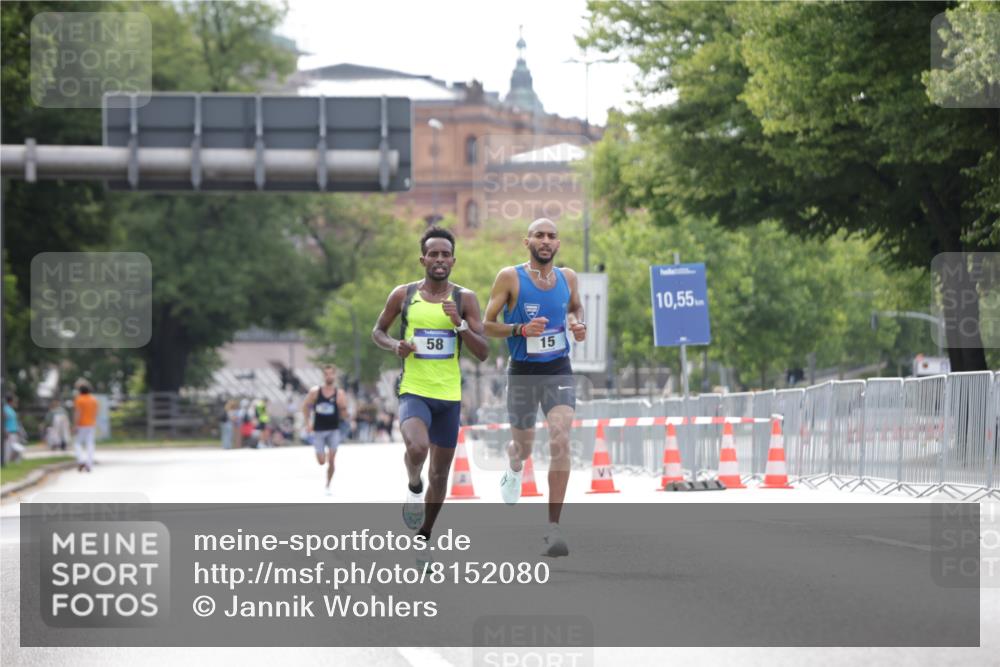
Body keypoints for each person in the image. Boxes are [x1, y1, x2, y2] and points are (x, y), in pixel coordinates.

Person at [372, 226, 489, 549]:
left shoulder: (465, 299)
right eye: (433, 254)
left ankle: (425, 535)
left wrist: (460, 324)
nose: (439, 260)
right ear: (423, 259)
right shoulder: (403, 295)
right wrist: (395, 345)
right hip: (414, 389)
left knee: (440, 475)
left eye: (445, 255)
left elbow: (482, 352)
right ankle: (412, 484)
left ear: (454, 260)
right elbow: (378, 331)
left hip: (449, 397)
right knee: (418, 449)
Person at [483, 218, 587, 557]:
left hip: (558, 367)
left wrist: (576, 323)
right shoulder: (510, 277)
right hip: (523, 371)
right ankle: (514, 468)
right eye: (539, 235)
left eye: (552, 236)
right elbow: (486, 324)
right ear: (526, 240)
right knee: (523, 448)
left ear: (558, 243)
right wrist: (519, 330)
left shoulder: (568, 277)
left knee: (560, 437)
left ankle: (553, 527)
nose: (546, 240)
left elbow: (573, 307)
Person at [301, 365, 349, 494]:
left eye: (331, 374)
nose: (329, 376)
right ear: (323, 376)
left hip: (334, 429)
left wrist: (343, 409)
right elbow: (305, 407)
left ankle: (328, 485)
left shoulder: (340, 393)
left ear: (334, 375)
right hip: (319, 430)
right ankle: (325, 455)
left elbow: (345, 414)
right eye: (326, 374)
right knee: (322, 462)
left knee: (332, 460)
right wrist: (307, 423)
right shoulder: (315, 392)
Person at [73, 382, 99, 472]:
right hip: (91, 424)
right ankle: (89, 464)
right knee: (90, 444)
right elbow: (95, 413)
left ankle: (81, 460)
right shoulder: (93, 399)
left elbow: (78, 413)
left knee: (77, 443)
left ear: (80, 391)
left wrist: (75, 425)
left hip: (81, 424)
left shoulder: (79, 399)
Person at [4, 394, 25, 463]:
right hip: (9, 432)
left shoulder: (11, 410)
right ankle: (6, 461)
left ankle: (15, 461)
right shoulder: (5, 409)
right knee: (8, 448)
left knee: (16, 447)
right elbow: (3, 421)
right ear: (11, 401)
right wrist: (5, 430)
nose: (15, 403)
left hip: (14, 431)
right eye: (14, 401)